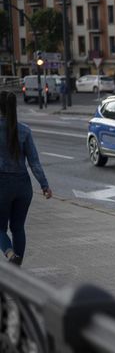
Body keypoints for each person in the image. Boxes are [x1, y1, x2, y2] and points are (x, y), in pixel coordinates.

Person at [0, 91, 52, 266]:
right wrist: (44, 185)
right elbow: (34, 163)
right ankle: (17, 267)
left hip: (2, 185)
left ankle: (9, 254)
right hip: (23, 186)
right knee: (18, 228)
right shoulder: (24, 130)